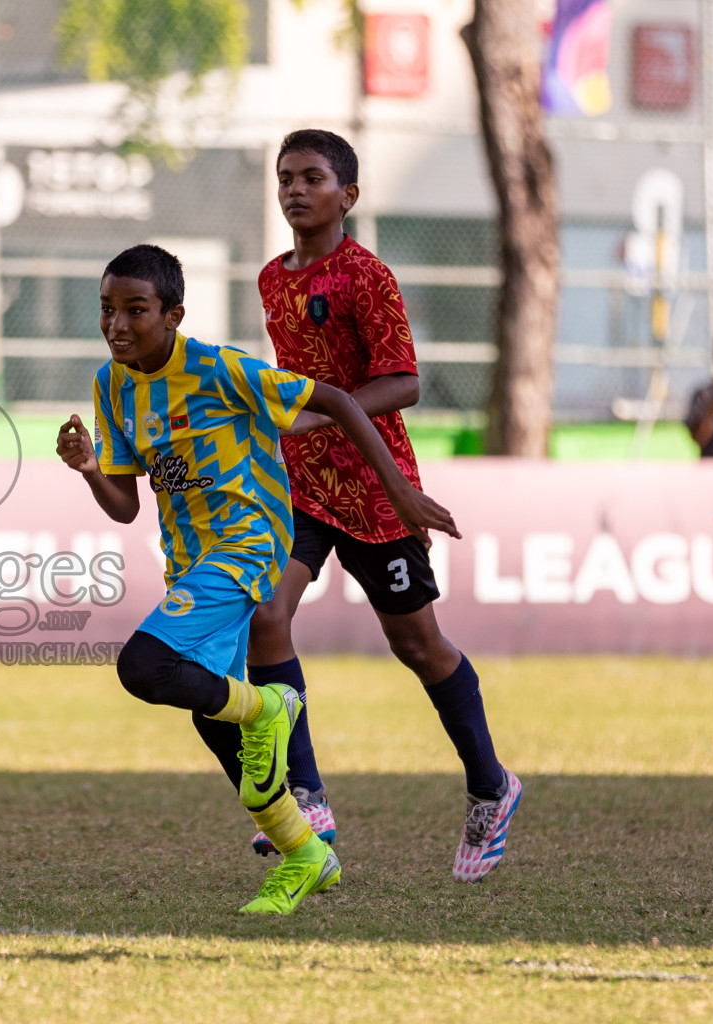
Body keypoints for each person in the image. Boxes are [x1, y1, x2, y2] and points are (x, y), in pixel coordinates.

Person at [56, 244, 460, 914]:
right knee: (219, 730)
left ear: (174, 314)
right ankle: (306, 856)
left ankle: (271, 705)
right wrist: (90, 468)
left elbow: (334, 400)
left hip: (247, 548)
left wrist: (400, 492)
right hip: (191, 565)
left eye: (135, 310)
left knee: (142, 665)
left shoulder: (219, 370)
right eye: (107, 309)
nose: (117, 325)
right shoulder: (113, 385)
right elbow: (127, 506)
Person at [238, 128, 520, 883]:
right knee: (266, 614)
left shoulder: (366, 277)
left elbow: (404, 381)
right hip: (301, 485)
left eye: (313, 177)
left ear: (347, 196)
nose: (295, 189)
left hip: (374, 488)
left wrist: (325, 416)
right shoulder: (272, 278)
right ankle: (307, 796)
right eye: (286, 177)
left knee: (419, 649)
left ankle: (492, 788)